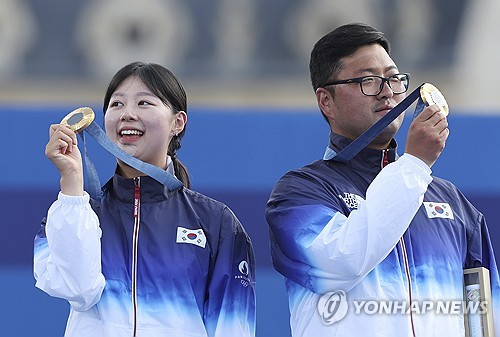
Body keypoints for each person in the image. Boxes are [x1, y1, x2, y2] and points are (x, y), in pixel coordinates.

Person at [266, 23, 500, 336]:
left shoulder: (452, 202)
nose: (387, 91)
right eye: (368, 81)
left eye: (393, 78)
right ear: (326, 101)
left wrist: (414, 169)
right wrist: (415, 164)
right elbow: (337, 267)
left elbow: (483, 317)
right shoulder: (300, 192)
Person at [34, 61, 256, 337]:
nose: (127, 114)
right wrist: (71, 181)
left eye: (144, 103)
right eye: (116, 105)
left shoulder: (216, 222)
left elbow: (232, 326)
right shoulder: (76, 213)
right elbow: (78, 291)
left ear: (178, 122)